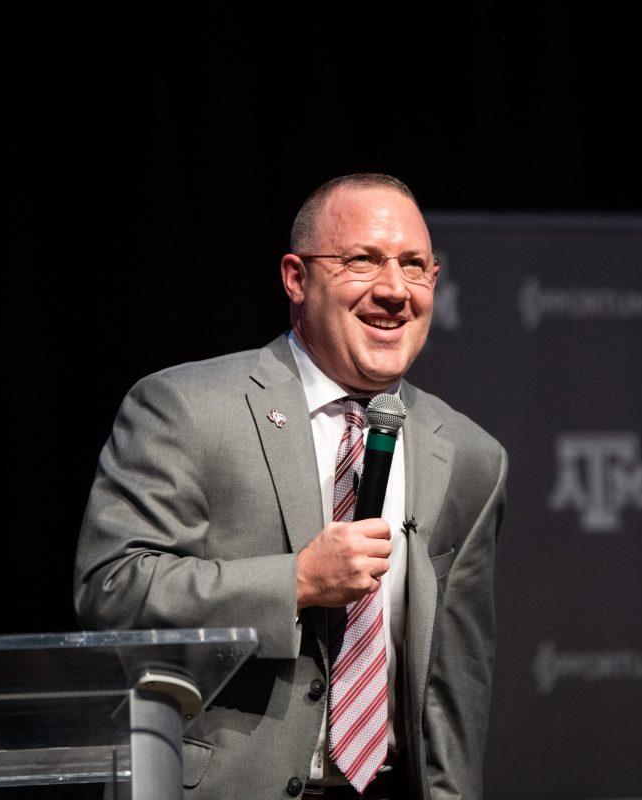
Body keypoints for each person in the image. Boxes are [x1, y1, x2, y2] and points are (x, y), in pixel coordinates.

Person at [74, 173, 508, 800]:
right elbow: (110, 590)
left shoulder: (470, 454)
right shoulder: (186, 407)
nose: (393, 290)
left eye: (415, 267)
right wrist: (298, 580)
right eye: (363, 261)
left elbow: (455, 681)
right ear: (296, 278)